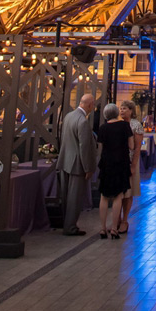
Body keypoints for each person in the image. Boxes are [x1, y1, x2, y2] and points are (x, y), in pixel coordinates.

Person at [57, 90, 97, 235]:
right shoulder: (83, 121)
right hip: (76, 165)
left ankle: (65, 224)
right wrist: (88, 168)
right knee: (74, 198)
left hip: (65, 161)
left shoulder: (68, 116)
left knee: (66, 196)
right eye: (93, 105)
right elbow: (84, 147)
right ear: (90, 105)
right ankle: (71, 227)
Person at [97, 103, 132, 238]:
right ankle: (114, 228)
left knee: (104, 196)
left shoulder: (103, 128)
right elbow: (131, 145)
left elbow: (101, 147)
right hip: (121, 163)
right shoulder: (124, 126)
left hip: (106, 163)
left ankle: (102, 227)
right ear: (117, 112)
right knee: (118, 196)